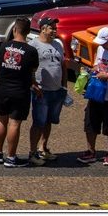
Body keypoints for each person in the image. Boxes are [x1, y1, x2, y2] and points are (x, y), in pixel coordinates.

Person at [0, 17, 39, 167]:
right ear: (28, 31)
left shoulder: (3, 46)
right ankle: (11, 157)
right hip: (20, 90)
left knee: (1, 119)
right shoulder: (31, 51)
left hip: (2, 88)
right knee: (14, 123)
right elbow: (33, 70)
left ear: (14, 29)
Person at [27, 17, 67, 166]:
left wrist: (64, 86)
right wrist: (33, 84)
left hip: (57, 90)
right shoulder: (33, 45)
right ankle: (32, 153)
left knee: (49, 121)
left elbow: (63, 65)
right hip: (41, 91)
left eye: (55, 28)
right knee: (38, 122)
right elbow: (28, 68)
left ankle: (43, 148)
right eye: (52, 28)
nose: (55, 31)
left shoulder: (58, 44)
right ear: (43, 29)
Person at [76, 26, 108, 165]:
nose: (102, 45)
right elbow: (97, 64)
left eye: (104, 42)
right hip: (96, 92)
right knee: (90, 122)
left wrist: (106, 76)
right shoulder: (101, 48)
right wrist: (92, 71)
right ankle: (91, 151)